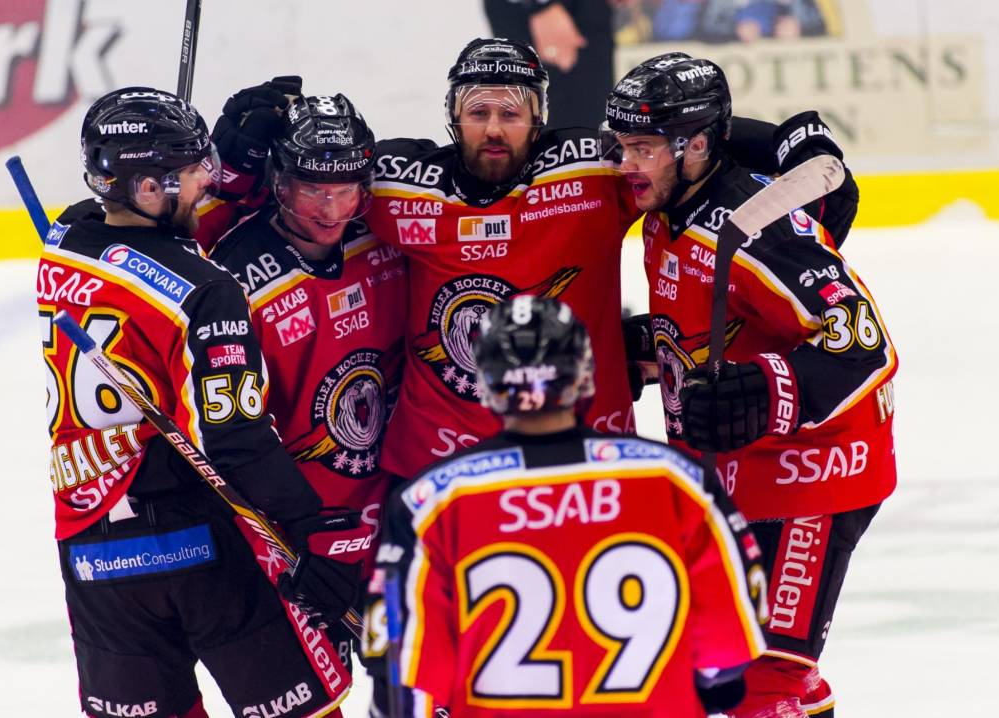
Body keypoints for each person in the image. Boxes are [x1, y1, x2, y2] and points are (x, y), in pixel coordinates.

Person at [38, 87, 369, 718]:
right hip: (201, 547)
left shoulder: (62, 244)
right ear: (147, 187)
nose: (206, 183)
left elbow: (104, 216)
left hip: (91, 549)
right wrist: (310, 532)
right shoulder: (206, 290)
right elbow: (236, 438)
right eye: (193, 172)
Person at [603, 54, 898, 717]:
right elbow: (719, 326)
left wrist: (763, 392)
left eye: (643, 148)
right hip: (743, 473)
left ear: (696, 146)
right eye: (623, 144)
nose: (625, 164)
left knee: (764, 677)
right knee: (734, 663)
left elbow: (861, 346)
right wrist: (647, 349)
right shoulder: (666, 210)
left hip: (814, 472)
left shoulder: (752, 227)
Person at [372, 295, 768, 717]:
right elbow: (727, 655)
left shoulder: (430, 502)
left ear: (486, 384)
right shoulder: (676, 481)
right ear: (584, 375)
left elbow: (403, 687)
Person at [365, 37, 642, 482]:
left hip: (585, 461)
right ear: (453, 116)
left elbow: (687, 156)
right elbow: (303, 187)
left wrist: (753, 130)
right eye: (478, 113)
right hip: (443, 470)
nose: (493, 129)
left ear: (538, 118)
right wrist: (249, 155)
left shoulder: (595, 171)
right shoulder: (399, 186)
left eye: (510, 114)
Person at [208, 92, 408, 665]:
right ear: (279, 183)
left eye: (346, 190)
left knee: (412, 687)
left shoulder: (388, 237)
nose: (331, 209)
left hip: (397, 517)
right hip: (302, 531)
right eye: (312, 189)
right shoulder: (233, 271)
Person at [483, 0, 621, 129]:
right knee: (565, 129)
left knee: (590, 128)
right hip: (545, 13)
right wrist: (542, 5)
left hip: (584, 14)